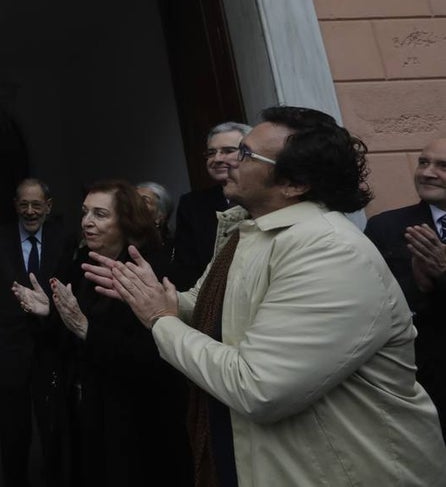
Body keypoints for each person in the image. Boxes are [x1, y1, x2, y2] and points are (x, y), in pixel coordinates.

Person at [87, 106, 446, 487]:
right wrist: (154, 296)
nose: (229, 163)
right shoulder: (252, 231)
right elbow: (219, 311)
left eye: (245, 154)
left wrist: (161, 319)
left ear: (294, 184)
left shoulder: (328, 250)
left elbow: (259, 387)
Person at [13, 180, 190, 486]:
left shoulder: (152, 270)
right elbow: (70, 339)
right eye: (84, 212)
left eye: (100, 214)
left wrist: (86, 329)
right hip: (88, 413)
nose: (87, 222)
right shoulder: (84, 264)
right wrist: (48, 314)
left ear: (126, 221)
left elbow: (155, 358)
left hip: (134, 423)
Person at [0, 178, 74, 487]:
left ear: (49, 206)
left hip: (51, 350)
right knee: (12, 432)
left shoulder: (66, 240)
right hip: (6, 350)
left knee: (54, 429)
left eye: (37, 205)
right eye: (24, 204)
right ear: (15, 206)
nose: (30, 211)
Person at [365, 136, 446, 434]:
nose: (426, 172)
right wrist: (420, 286)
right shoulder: (385, 226)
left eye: (442, 166)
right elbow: (373, 300)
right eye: (424, 162)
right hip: (417, 381)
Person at [168, 122, 250, 289]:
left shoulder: (267, 196)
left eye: (228, 151)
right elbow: (185, 266)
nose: (217, 159)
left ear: (249, 154)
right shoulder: (192, 204)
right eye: (211, 153)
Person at [137, 181, 174, 251]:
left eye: (144, 201)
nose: (135, 204)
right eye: (134, 200)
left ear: (159, 216)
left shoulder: (174, 250)